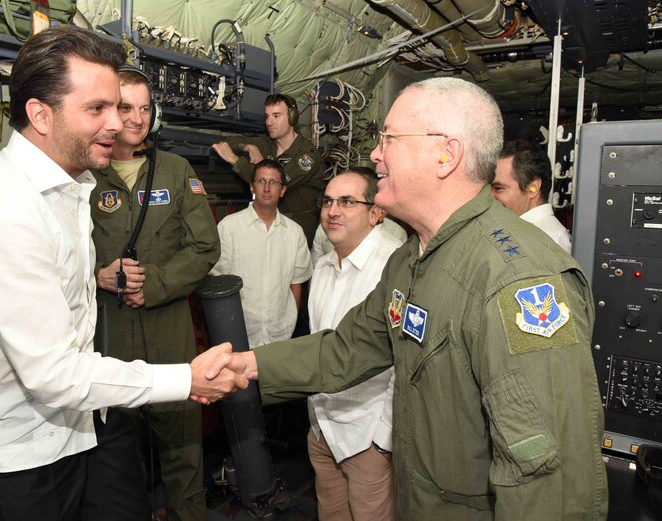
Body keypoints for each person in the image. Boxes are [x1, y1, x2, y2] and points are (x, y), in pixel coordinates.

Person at [205, 77, 608, 520]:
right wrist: (251, 364)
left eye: (389, 139)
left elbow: (549, 480)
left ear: (446, 154)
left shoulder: (517, 281)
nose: (375, 153)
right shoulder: (412, 259)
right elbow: (347, 348)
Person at [0, 26, 246, 521]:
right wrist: (186, 379)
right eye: (96, 109)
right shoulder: (5, 213)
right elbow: (53, 373)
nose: (117, 125)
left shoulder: (69, 189)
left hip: (83, 420)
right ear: (40, 114)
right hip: (21, 450)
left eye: (118, 108)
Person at [88, 67, 220, 521]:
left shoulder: (177, 171)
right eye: (126, 107)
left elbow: (206, 246)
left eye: (146, 108)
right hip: (108, 333)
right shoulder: (84, 177)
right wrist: (96, 274)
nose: (138, 118)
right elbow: (52, 254)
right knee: (116, 449)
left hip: (168, 330)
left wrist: (158, 284)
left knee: (182, 440)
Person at [308, 170, 401, 521]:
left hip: (367, 439)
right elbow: (320, 349)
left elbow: (401, 361)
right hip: (323, 432)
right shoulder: (322, 268)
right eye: (328, 201)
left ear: (376, 213)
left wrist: (382, 440)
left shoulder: (394, 267)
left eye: (347, 202)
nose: (333, 210)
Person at [210, 159, 312, 348]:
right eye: (261, 181)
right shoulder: (229, 227)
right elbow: (218, 283)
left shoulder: (294, 232)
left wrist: (289, 323)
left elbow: (296, 284)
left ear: (282, 190)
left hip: (280, 336)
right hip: (238, 333)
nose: (266, 188)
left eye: (273, 182)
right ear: (252, 187)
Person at [211, 94, 325, 247]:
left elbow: (274, 185)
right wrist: (248, 146)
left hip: (294, 234)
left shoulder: (307, 156)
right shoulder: (267, 144)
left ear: (292, 118)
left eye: (276, 116)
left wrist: (235, 160)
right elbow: (226, 142)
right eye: (267, 116)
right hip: (266, 227)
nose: (269, 122)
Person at [491, 139, 572, 252]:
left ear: (532, 188)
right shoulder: (514, 229)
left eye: (498, 188)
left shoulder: (551, 241)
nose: (490, 196)